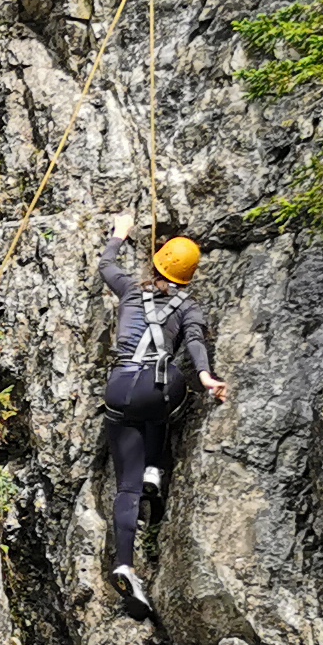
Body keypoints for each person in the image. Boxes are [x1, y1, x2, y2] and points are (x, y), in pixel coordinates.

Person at [97, 225, 226, 616]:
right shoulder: (188, 307)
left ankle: (124, 564)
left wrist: (119, 234)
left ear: (156, 263)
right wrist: (205, 376)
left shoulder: (129, 290)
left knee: (126, 486)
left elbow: (106, 265)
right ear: (189, 275)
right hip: (157, 389)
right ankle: (155, 468)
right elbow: (194, 341)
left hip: (118, 388)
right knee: (166, 398)